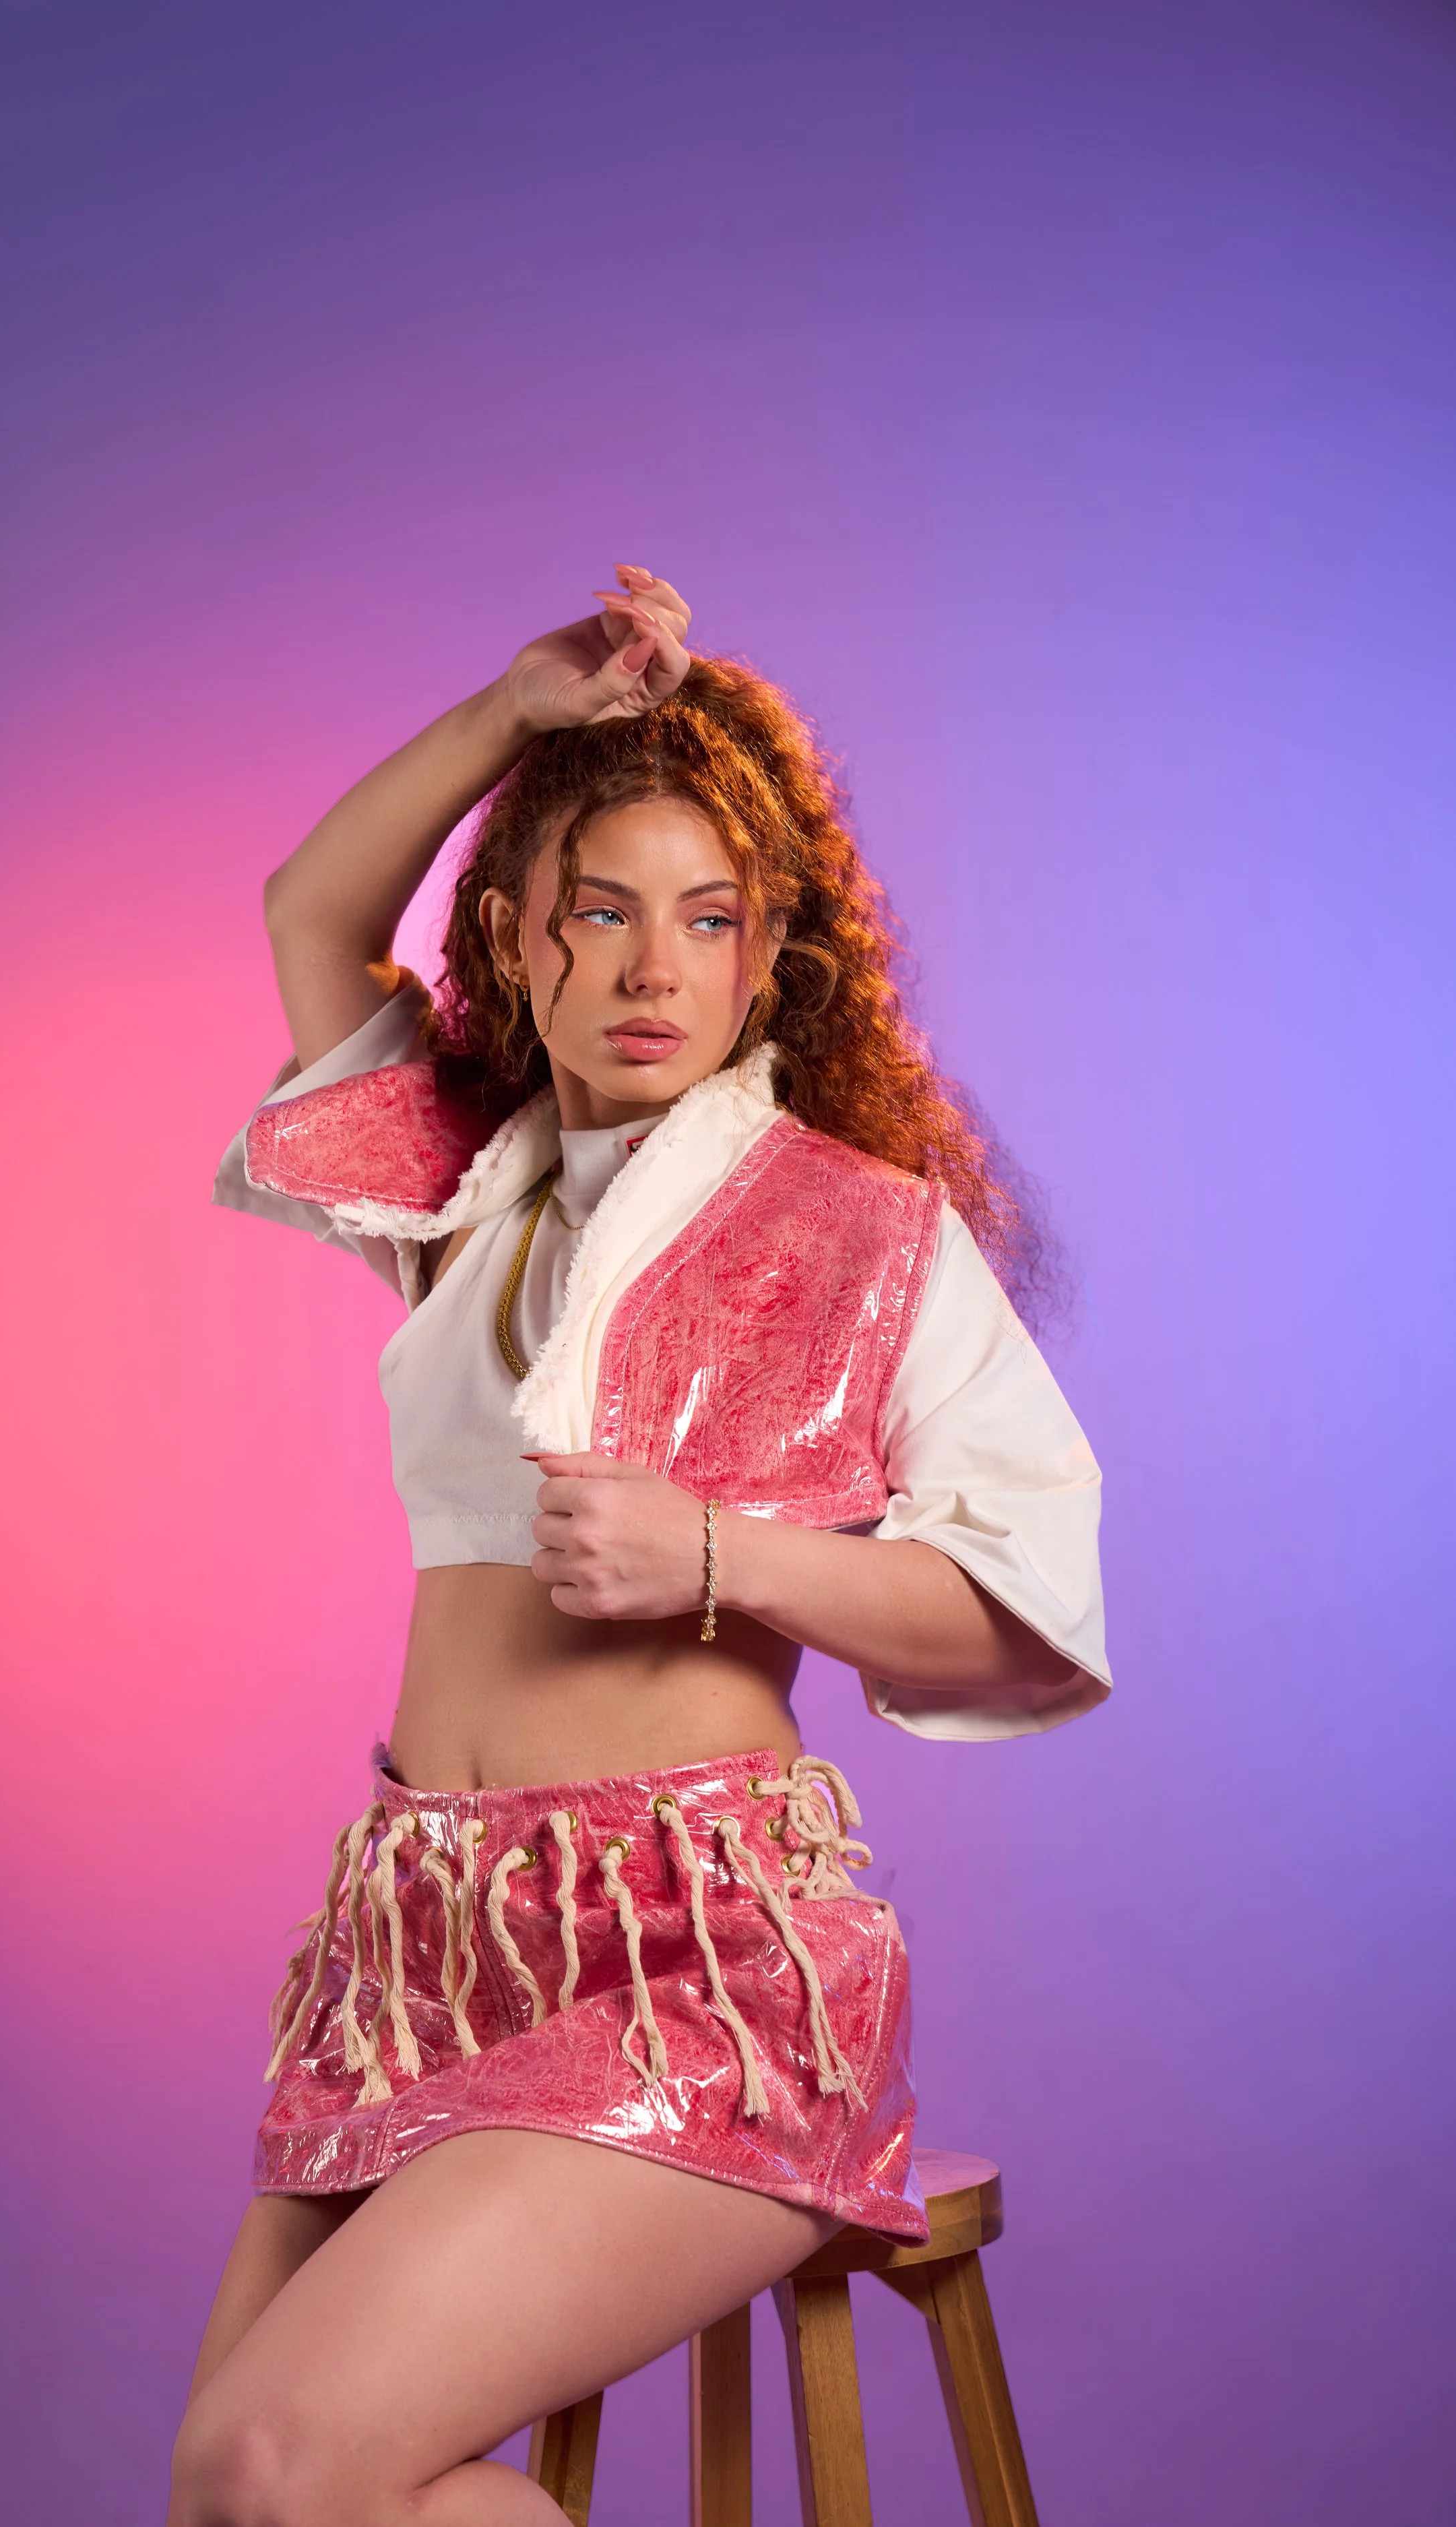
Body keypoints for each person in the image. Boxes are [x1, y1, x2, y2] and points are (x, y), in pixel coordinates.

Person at [170, 568, 1109, 2527]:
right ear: (515, 940)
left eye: (707, 919)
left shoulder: (865, 1229)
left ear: (766, 958)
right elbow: (312, 910)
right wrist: (514, 713)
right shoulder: (455, 1184)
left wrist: (723, 1553)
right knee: (233, 2500)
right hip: (412, 1944)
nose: (649, 966)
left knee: (283, 2469)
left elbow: (1022, 1621)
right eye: (599, 911)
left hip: (705, 1965)